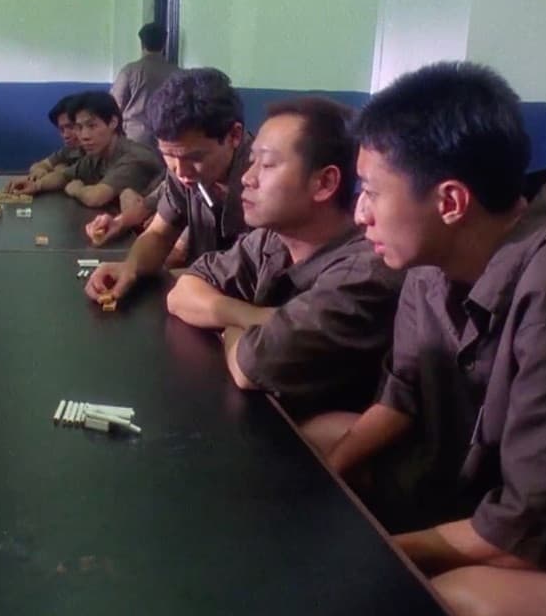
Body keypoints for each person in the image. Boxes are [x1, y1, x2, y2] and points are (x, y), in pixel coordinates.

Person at [316, 62, 546, 616]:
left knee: (460, 598)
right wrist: (329, 475)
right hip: (481, 498)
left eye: (371, 192)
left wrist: (370, 555)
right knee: (322, 436)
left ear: (450, 202)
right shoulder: (435, 256)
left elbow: (535, 527)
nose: (359, 214)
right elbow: (402, 394)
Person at [149, 96, 402, 417]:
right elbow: (183, 291)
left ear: (324, 183)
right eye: (251, 161)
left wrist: (228, 326)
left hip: (312, 441)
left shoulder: (365, 273)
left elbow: (250, 366)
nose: (247, 177)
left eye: (267, 165)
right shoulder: (275, 238)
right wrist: (252, 317)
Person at [80, 69, 249, 266]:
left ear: (234, 136)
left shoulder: (264, 183)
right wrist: (129, 268)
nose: (181, 172)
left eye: (195, 157)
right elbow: (159, 234)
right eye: (168, 155)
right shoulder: (182, 167)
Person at [11, 91, 164, 209]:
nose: (84, 136)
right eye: (79, 127)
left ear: (113, 122)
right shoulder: (97, 154)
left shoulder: (135, 157)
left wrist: (77, 189)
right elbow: (63, 176)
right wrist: (36, 186)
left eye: (92, 126)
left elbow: (96, 197)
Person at [111, 22, 180, 146]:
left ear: (142, 44)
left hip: (135, 136)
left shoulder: (130, 70)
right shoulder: (177, 73)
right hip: (167, 136)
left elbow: (116, 104)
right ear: (164, 44)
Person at [4, 94, 82, 193]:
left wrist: (59, 171)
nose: (65, 135)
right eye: (61, 129)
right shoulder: (70, 150)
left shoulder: (95, 154)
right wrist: (39, 172)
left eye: (71, 127)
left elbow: (64, 176)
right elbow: (41, 166)